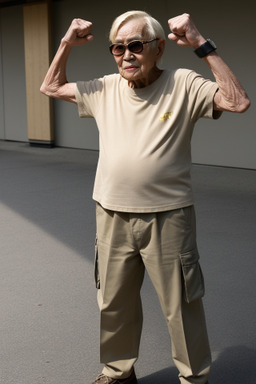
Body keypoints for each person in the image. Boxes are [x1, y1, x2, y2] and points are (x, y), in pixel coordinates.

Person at [40, 10, 250, 384]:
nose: (126, 55)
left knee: (181, 307)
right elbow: (52, 87)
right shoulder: (105, 88)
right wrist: (65, 43)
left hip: (168, 217)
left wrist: (201, 42)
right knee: (114, 302)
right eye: (117, 48)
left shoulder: (183, 83)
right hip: (111, 215)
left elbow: (237, 102)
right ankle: (119, 372)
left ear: (158, 49)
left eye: (136, 46)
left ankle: (193, 378)